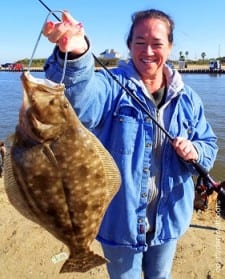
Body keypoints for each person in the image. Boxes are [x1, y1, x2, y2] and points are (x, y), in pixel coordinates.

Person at [42, 9, 218, 279]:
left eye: (157, 43)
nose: (148, 51)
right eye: (140, 42)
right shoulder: (111, 87)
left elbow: (208, 144)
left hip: (168, 222)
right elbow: (80, 104)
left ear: (170, 46)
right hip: (120, 224)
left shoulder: (188, 99)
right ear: (129, 45)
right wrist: (75, 52)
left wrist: (196, 151)